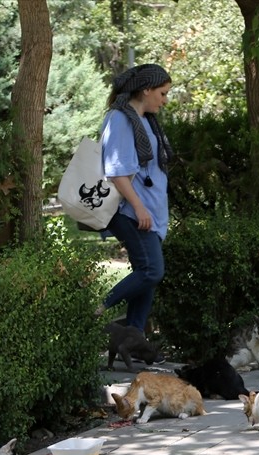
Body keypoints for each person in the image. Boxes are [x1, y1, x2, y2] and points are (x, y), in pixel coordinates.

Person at [94, 64, 174, 333]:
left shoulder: (145, 121)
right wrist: (139, 208)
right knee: (152, 271)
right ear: (146, 89)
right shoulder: (120, 119)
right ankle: (97, 309)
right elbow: (117, 172)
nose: (165, 100)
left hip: (149, 212)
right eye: (162, 93)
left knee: (147, 276)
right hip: (132, 212)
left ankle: (134, 339)